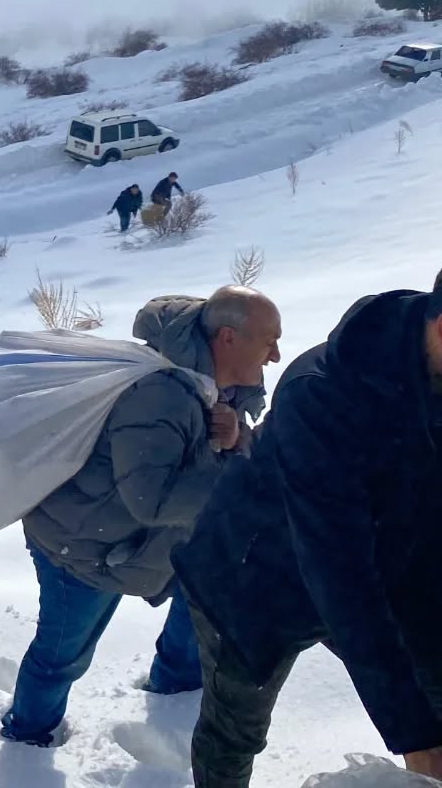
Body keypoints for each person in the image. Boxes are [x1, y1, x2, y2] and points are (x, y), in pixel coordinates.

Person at [173, 277, 442, 786]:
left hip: (382, 566)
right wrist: (416, 736)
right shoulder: (322, 393)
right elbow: (339, 570)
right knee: (236, 729)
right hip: (252, 577)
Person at [0, 287, 281, 749]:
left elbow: (215, 453)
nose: (275, 355)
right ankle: (26, 737)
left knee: (201, 598)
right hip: (83, 544)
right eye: (269, 341)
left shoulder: (220, 384)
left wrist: (237, 441)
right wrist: (237, 469)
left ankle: (175, 694)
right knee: (62, 653)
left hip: (149, 542)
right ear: (228, 338)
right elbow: (153, 500)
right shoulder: (159, 395)